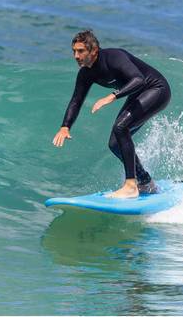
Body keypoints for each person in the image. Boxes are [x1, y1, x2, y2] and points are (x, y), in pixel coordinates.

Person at [52, 30, 171, 199]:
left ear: (94, 51)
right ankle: (145, 182)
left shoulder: (114, 57)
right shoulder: (86, 73)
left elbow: (139, 79)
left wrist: (112, 96)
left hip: (157, 89)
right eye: (74, 51)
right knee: (115, 143)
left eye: (80, 51)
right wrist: (65, 126)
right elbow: (76, 101)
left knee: (121, 127)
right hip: (138, 95)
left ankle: (131, 185)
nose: (76, 56)